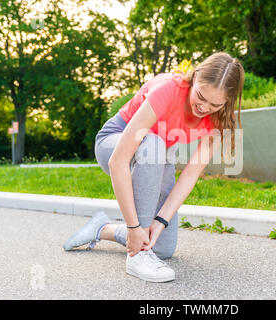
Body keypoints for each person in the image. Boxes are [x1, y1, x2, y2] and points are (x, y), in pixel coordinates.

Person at [63, 52, 245, 282]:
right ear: (195, 77)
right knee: (154, 144)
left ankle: (103, 229)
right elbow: (118, 161)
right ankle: (137, 256)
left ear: (227, 101)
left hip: (158, 154)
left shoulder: (220, 119)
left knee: (162, 248)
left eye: (215, 104)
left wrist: (159, 223)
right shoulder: (168, 89)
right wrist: (133, 226)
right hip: (117, 142)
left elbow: (189, 176)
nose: (204, 107)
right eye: (200, 96)